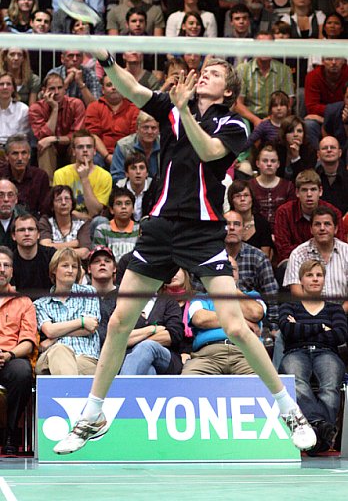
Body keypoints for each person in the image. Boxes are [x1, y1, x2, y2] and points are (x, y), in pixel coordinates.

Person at [53, 50, 316, 455]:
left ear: (227, 89)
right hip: (159, 227)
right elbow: (134, 89)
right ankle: (92, 415)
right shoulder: (174, 107)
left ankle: (287, 408)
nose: (202, 76)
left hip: (201, 231)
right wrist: (108, 63)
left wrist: (182, 111)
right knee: (121, 319)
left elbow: (210, 152)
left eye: (212, 74)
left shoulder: (234, 124)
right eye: (203, 71)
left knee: (233, 324)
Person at [279, 259, 347, 454]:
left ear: (324, 279)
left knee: (329, 386)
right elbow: (287, 330)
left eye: (319, 275)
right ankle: (321, 429)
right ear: (301, 279)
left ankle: (316, 434)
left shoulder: (334, 308)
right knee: (297, 383)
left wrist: (301, 327)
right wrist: (320, 327)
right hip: (295, 352)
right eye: (309, 275)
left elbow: (341, 335)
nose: (315, 279)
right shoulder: (289, 305)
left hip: (326, 352)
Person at [34, 248, 100, 375]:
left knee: (66, 363)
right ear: (54, 269)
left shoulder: (88, 292)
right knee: (59, 350)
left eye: (74, 266)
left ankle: (67, 393)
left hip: (85, 359)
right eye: (65, 266)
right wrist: (81, 321)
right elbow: (50, 330)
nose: (70, 270)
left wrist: (55, 336)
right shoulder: (40, 304)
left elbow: (90, 328)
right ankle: (71, 392)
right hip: (49, 359)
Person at [0, 245, 37, 456]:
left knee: (22, 371)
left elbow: (28, 342)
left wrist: (9, 354)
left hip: (10, 356)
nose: (2, 269)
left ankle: (11, 435)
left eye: (6, 265)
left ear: (12, 271)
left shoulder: (23, 302)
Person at [274, 169, 345, 268]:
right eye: (304, 190)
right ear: (297, 192)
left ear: (320, 191)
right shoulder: (284, 213)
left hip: (329, 262)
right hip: (295, 263)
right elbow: (283, 250)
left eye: (313, 189)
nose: (309, 194)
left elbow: (340, 246)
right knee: (285, 266)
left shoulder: (334, 213)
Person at [224, 209, 279, 331]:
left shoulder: (258, 257)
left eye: (237, 224)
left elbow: (271, 295)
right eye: (227, 224)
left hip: (253, 316)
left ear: (244, 230)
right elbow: (198, 294)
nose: (231, 228)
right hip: (217, 312)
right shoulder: (210, 257)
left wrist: (273, 328)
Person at [283, 206, 348, 306]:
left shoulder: (346, 251)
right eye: (317, 224)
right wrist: (315, 313)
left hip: (344, 314)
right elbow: (296, 292)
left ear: (335, 229)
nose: (322, 228)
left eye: (327, 224)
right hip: (309, 315)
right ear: (311, 229)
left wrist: (338, 314)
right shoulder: (298, 254)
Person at [28, 73, 86, 181]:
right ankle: (48, 190)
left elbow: (77, 136)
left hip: (70, 149)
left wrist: (54, 139)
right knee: (45, 147)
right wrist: (54, 108)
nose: (56, 92)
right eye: (52, 88)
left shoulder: (76, 104)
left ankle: (77, 186)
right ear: (44, 90)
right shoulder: (36, 108)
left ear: (65, 89)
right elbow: (43, 137)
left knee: (79, 146)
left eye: (60, 88)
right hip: (50, 152)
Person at [235, 32, 295, 127]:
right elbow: (237, 103)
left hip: (277, 117)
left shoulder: (284, 70)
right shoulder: (242, 69)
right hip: (249, 118)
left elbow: (288, 102)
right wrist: (256, 120)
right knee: (241, 123)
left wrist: (270, 120)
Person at [53, 130, 112, 221]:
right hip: (68, 220)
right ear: (73, 151)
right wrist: (84, 217)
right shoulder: (60, 174)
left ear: (94, 151)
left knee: (99, 221)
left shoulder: (105, 176)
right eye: (80, 147)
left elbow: (95, 212)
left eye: (89, 147)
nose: (85, 150)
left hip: (93, 224)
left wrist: (85, 179)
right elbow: (60, 207)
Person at [85, 73, 140, 169]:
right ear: (103, 90)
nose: (114, 88)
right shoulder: (94, 107)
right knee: (92, 159)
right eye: (109, 85)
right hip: (100, 154)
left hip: (126, 152)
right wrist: (107, 156)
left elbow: (133, 137)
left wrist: (118, 156)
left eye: (117, 84)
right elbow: (93, 135)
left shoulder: (134, 108)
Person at [249, 144, 296, 233]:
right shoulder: (249, 186)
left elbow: (291, 215)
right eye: (265, 161)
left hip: (283, 232)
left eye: (273, 161)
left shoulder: (288, 186)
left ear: (278, 164)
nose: (269, 164)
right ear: (257, 163)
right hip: (255, 233)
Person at [0, 134, 49, 216]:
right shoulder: (1, 174)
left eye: (24, 153)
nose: (20, 158)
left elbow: (44, 211)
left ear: (29, 155)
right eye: (15, 153)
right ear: (7, 156)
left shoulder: (40, 176)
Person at [304, 58, 348, 149]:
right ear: (322, 61)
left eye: (337, 59)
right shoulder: (313, 76)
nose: (334, 62)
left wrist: (330, 116)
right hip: (326, 118)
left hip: (344, 117)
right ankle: (317, 158)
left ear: (344, 61)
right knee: (309, 125)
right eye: (329, 59)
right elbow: (312, 107)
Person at [39, 185, 91, 260]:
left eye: (67, 199)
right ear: (52, 205)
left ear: (72, 203)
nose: (63, 203)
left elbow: (84, 253)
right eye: (59, 199)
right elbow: (45, 248)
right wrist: (73, 244)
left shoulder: (82, 223)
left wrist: (54, 248)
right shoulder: (46, 222)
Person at [92, 187, 140, 263]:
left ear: (133, 209)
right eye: (119, 204)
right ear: (111, 210)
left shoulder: (140, 230)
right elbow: (99, 260)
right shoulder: (102, 230)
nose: (124, 207)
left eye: (127, 203)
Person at [11, 213, 55, 295]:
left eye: (31, 229)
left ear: (38, 234)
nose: (27, 233)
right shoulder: (8, 261)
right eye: (21, 230)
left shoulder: (52, 256)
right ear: (14, 236)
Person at [227, 180, 273, 257]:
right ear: (231, 200)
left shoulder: (262, 223)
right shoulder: (225, 222)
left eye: (246, 195)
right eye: (237, 196)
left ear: (252, 198)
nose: (242, 199)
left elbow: (265, 256)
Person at [111, 112, 160, 183]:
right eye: (145, 127)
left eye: (153, 128)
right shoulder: (123, 146)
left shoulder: (165, 144)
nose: (150, 131)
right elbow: (118, 176)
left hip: (160, 190)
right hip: (130, 189)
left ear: (158, 130)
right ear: (137, 128)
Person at [87, 246, 118, 349]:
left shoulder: (125, 295)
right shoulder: (80, 295)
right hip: (86, 352)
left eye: (107, 261)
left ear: (114, 268)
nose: (102, 264)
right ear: (89, 269)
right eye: (96, 261)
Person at [116, 152, 158, 221]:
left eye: (141, 168)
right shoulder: (119, 189)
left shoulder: (155, 188)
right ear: (126, 173)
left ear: (147, 173)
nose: (138, 172)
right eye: (133, 168)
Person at [275, 115, 317, 181]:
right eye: (291, 131)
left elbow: (306, 179)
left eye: (299, 131)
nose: (295, 134)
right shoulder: (276, 149)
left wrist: (296, 158)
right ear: (284, 134)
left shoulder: (310, 151)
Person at [316, 136, 348, 216]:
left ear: (340, 153)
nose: (329, 150)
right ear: (318, 154)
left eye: (333, 147)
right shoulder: (312, 178)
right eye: (325, 148)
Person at [0, 72, 30, 153]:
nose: (5, 87)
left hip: (14, 151)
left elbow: (23, 138)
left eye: (8, 84)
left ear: (13, 88)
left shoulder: (23, 109)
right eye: (1, 84)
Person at [0, 179, 26, 249]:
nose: (6, 199)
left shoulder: (25, 219)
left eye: (10, 195)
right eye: (1, 195)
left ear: (16, 199)